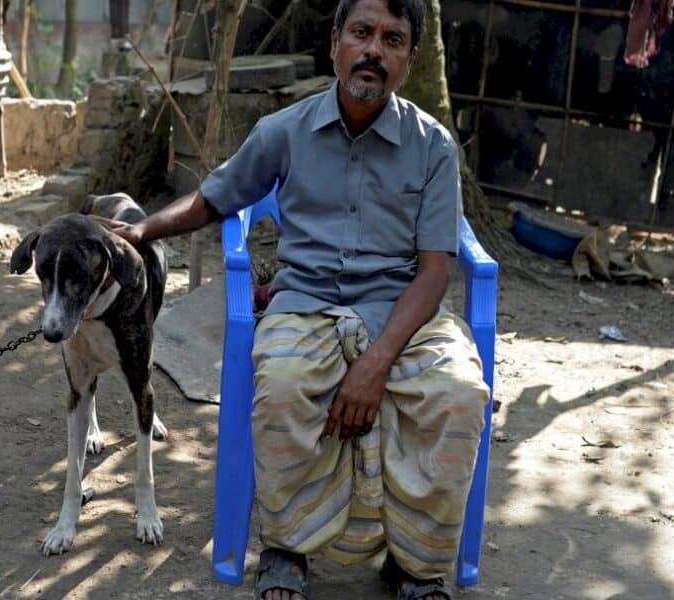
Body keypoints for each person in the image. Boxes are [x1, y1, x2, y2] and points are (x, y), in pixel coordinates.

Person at [94, 1, 489, 598]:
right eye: (361, 33)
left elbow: (435, 273)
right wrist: (144, 229)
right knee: (281, 383)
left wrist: (376, 362)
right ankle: (287, 549)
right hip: (305, 303)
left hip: (403, 310)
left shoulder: (432, 146)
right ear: (335, 43)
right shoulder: (285, 130)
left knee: (458, 394)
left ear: (410, 59)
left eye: (392, 40)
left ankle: (415, 560)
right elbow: (214, 199)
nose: (373, 51)